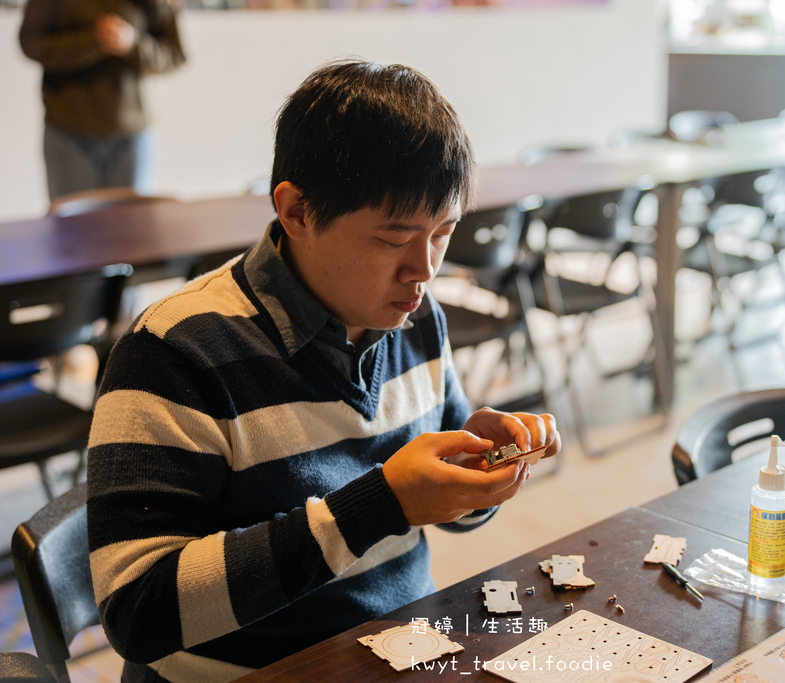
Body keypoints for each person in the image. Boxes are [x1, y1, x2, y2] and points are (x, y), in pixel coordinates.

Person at [86, 60, 560, 682]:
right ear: (297, 212)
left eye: (443, 232)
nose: (423, 268)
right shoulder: (175, 350)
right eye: (393, 239)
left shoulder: (417, 317)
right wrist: (377, 506)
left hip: (398, 654)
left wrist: (482, 473)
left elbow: (435, 503)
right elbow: (137, 613)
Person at [19, 0, 186, 202]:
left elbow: (175, 55)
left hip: (132, 135)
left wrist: (132, 44)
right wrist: (93, 41)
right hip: (68, 130)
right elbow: (31, 43)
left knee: (130, 228)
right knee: (72, 228)